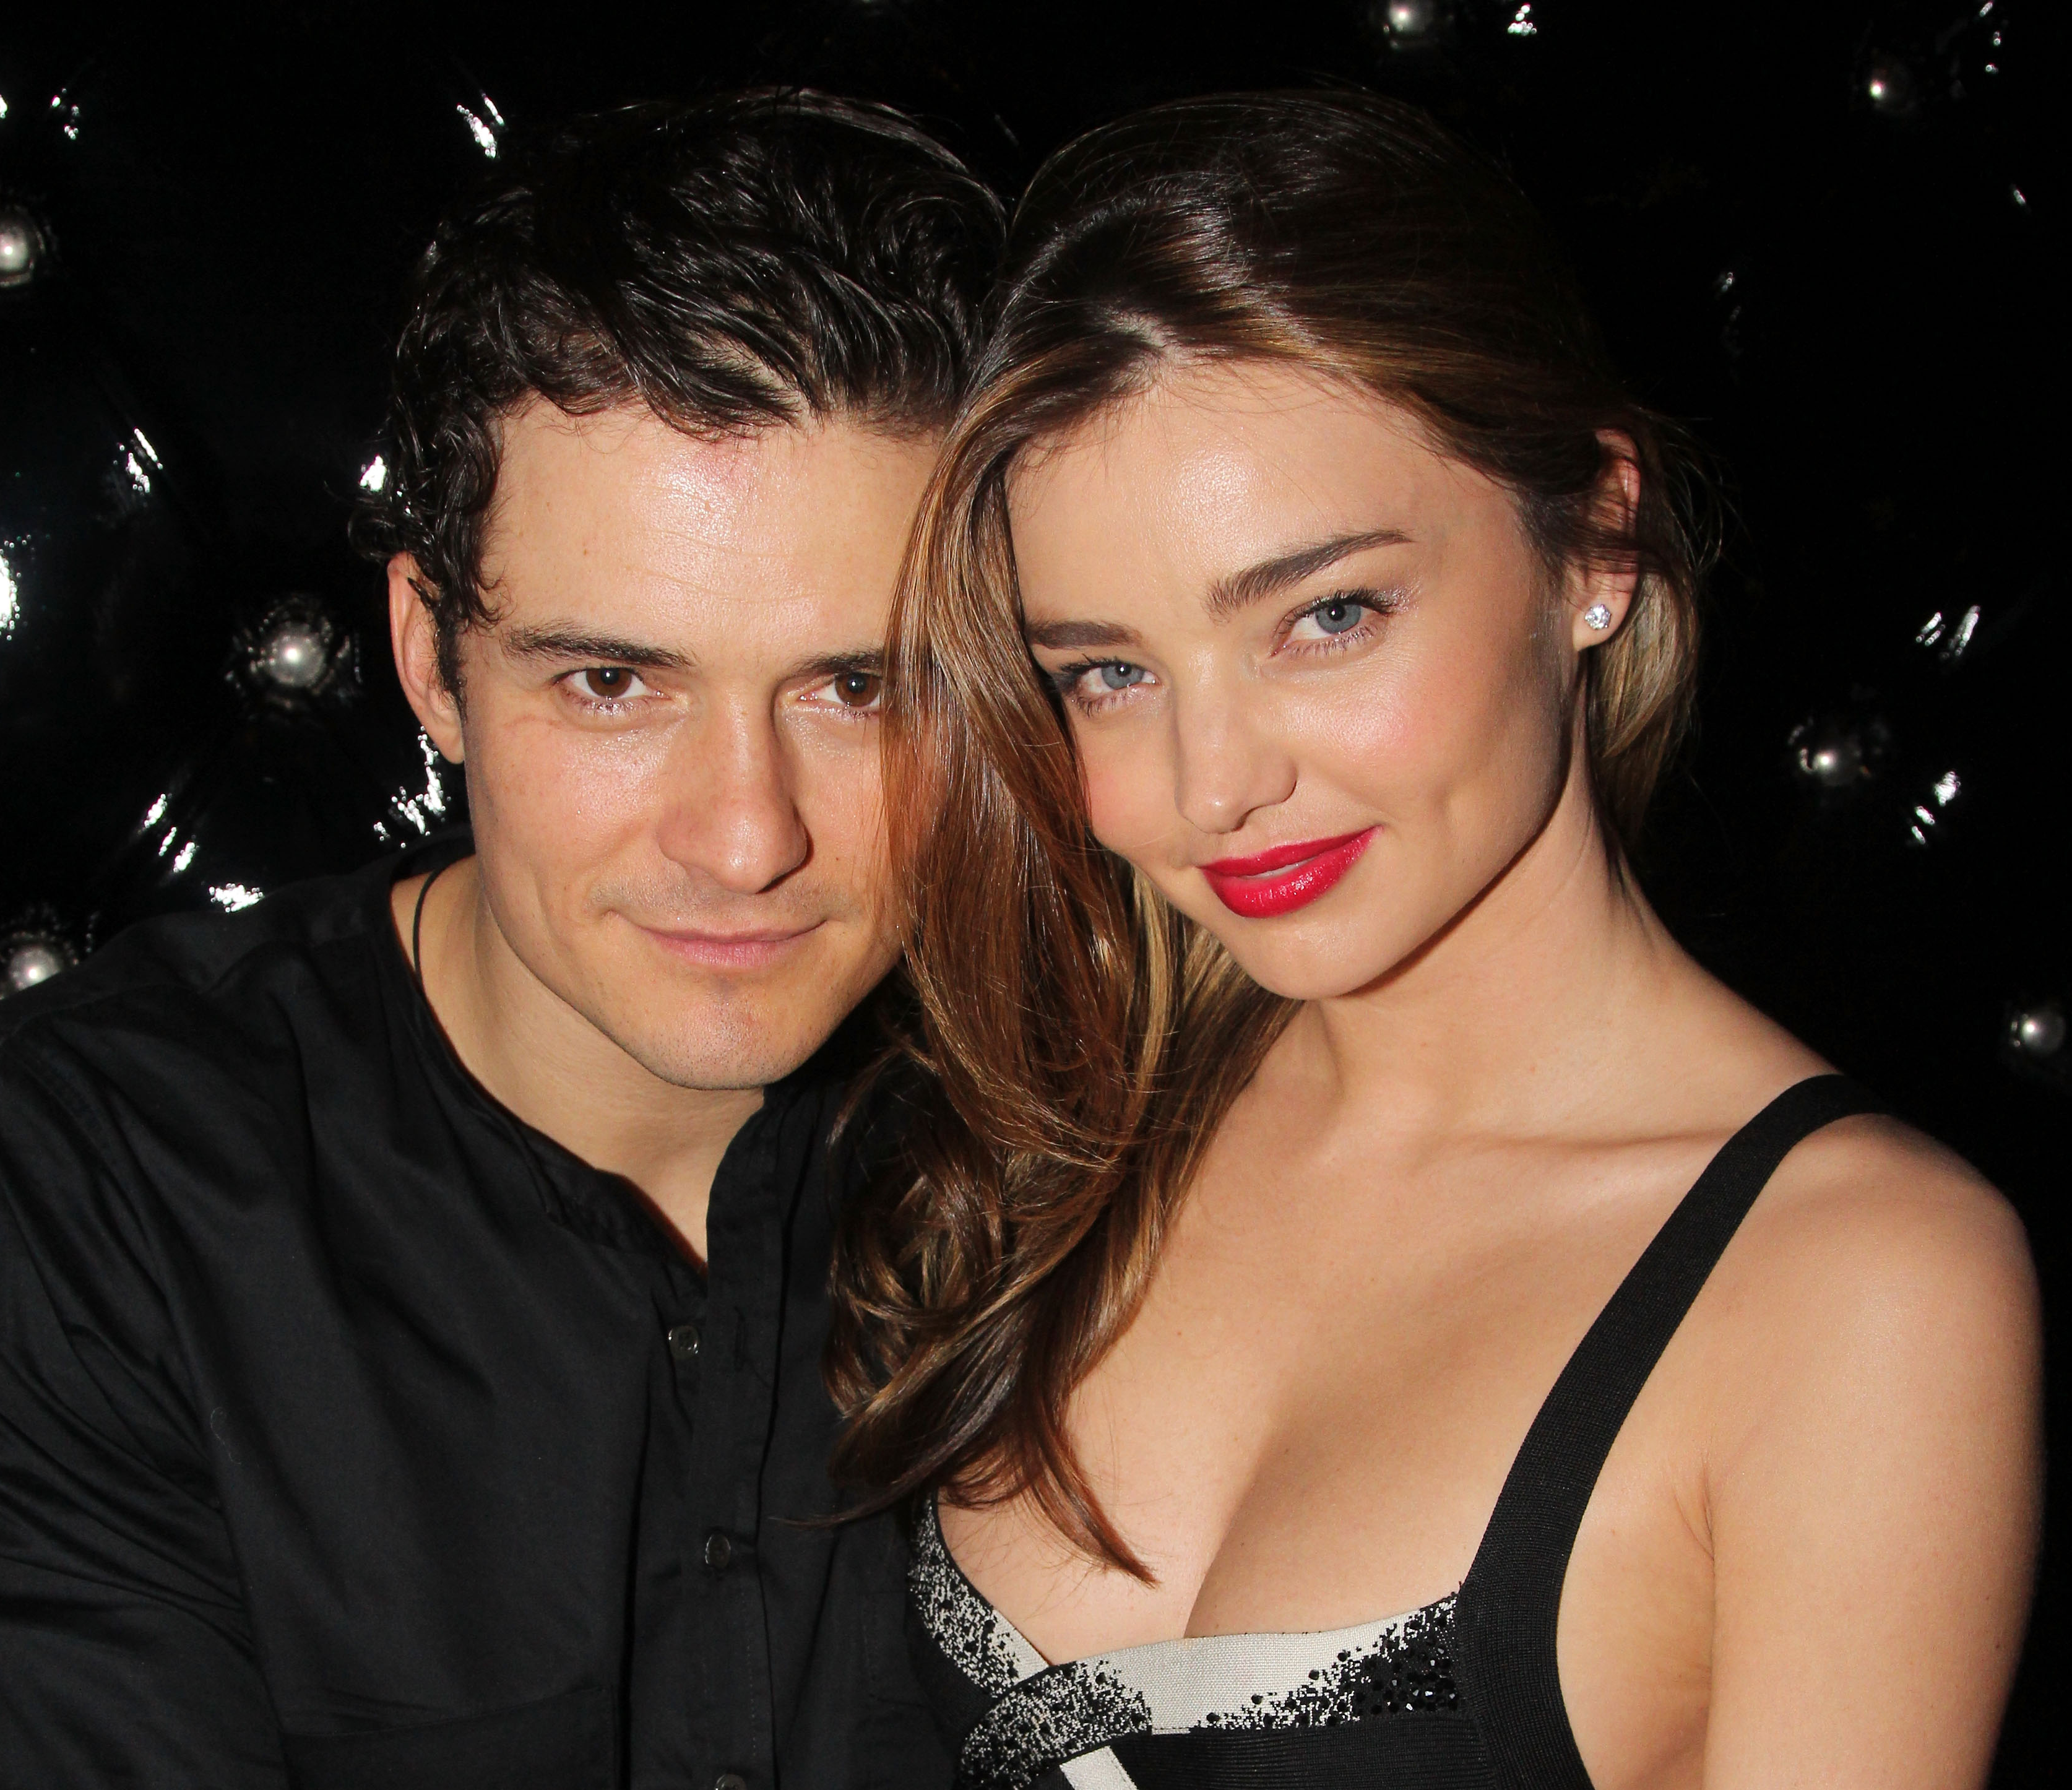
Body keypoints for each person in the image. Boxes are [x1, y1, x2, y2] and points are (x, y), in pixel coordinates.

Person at [830, 91, 2042, 1790]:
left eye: (1327, 615)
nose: (1212, 783)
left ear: (1595, 540)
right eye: (1109, 670)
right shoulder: (1065, 1131)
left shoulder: (1857, 1286)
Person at [0, 92, 999, 1789]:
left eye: (860, 686)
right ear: (431, 656)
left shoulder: (1114, 1144)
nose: (747, 836)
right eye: (613, 682)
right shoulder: (67, 1189)